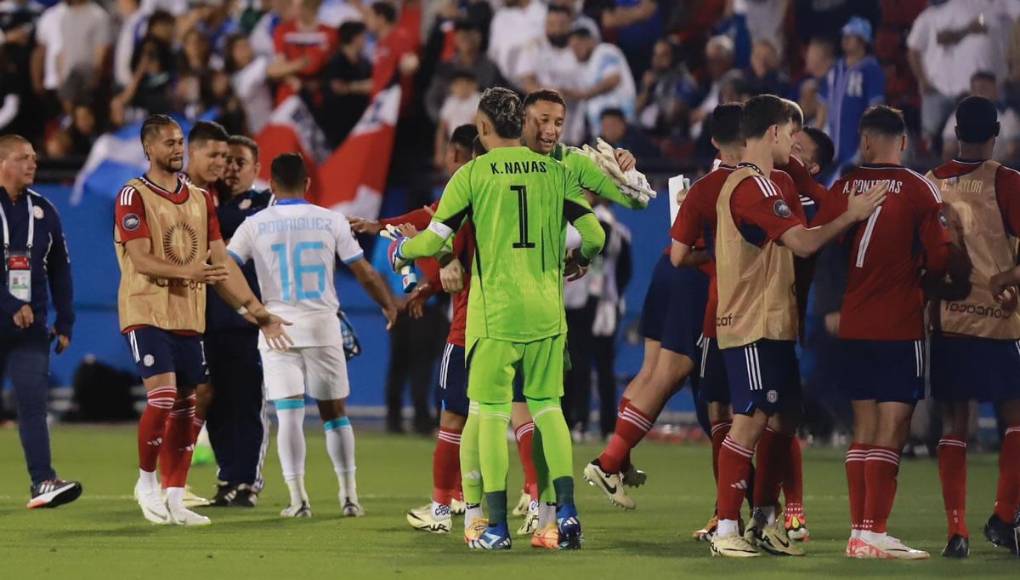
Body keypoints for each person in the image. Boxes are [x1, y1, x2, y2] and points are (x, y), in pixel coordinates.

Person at [390, 87, 606, 550]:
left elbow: (432, 241)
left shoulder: (472, 174)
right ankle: (565, 516)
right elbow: (594, 234)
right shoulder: (555, 170)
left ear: (484, 129)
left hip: (495, 316)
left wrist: (399, 250)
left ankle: (495, 527)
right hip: (548, 312)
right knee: (549, 410)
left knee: (487, 416)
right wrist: (578, 261)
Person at [705, 95, 886, 558]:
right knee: (748, 422)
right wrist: (853, 213)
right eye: (790, 135)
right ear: (772, 133)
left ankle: (764, 521)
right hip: (752, 323)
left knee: (783, 421)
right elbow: (803, 242)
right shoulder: (752, 186)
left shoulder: (774, 181)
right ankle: (726, 528)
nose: (795, 145)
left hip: (775, 322)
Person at [114, 114, 289, 526]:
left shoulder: (200, 200)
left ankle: (175, 496)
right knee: (162, 396)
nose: (175, 149)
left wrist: (257, 312)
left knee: (186, 405)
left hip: (188, 316)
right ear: (149, 149)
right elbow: (140, 258)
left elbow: (221, 263)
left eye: (178, 142)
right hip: (146, 310)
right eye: (169, 143)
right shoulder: (132, 195)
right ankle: (147, 482)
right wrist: (191, 272)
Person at [814, 105, 966, 559]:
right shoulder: (920, 189)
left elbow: (824, 248)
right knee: (894, 425)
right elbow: (941, 256)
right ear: (902, 142)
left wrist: (834, 304)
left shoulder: (844, 187)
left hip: (855, 321)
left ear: (864, 142)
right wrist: (931, 280)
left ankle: (859, 533)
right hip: (899, 322)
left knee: (863, 427)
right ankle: (874, 532)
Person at [227, 153, 397, 518]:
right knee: (335, 414)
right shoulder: (330, 219)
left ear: (271, 185)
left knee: (288, 416)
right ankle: (349, 496)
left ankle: (298, 499)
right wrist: (387, 304)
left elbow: (226, 268)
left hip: (276, 327)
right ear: (307, 184)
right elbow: (363, 271)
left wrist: (251, 308)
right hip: (322, 325)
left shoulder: (253, 224)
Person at [926, 96, 1020, 559]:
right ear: (996, 132)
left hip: (950, 322)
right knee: (1015, 419)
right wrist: (1007, 278)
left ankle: (955, 530)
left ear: (955, 132)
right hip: (1002, 321)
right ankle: (1004, 516)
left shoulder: (930, 184)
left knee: (954, 423)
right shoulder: (1007, 181)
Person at [0, 134, 80, 509]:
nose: (33, 163)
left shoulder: (45, 210)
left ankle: (43, 482)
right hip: (11, 315)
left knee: (33, 404)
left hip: (29, 329)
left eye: (34, 157)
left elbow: (61, 270)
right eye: (23, 158)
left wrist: (65, 321)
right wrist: (10, 302)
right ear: (3, 164)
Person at [203, 135, 273, 508]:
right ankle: (227, 476)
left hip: (247, 321)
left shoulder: (262, 204)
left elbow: (226, 233)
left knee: (247, 404)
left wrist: (212, 232)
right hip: (208, 319)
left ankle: (247, 481)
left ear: (256, 169)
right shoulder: (207, 201)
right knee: (214, 404)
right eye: (226, 160)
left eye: (239, 162)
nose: (230, 169)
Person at [819, 16, 885, 169]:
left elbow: (875, 109)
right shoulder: (835, 68)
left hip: (855, 147)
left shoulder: (871, 69)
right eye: (845, 36)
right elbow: (823, 105)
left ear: (862, 40)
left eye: (851, 36)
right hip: (830, 145)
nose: (845, 39)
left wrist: (866, 145)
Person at [566, 21, 636, 139]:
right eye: (573, 48)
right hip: (600, 131)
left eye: (578, 45)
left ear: (590, 41)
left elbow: (613, 79)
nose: (575, 51)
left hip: (620, 122)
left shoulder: (604, 51)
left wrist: (585, 94)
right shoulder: (582, 66)